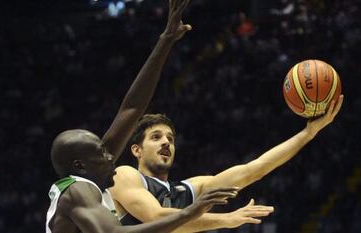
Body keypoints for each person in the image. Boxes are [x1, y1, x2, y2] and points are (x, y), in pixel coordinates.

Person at [45, 0, 240, 232]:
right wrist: (190, 212)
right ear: (80, 165)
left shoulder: (92, 171)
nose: (111, 157)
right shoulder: (77, 189)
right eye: (102, 153)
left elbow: (132, 109)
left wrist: (166, 40)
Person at [109, 95, 344, 232]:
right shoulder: (124, 174)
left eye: (170, 139)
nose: (166, 143)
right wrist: (227, 219)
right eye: (156, 137)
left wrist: (309, 133)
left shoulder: (191, 188)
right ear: (136, 150)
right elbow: (158, 218)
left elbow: (255, 169)